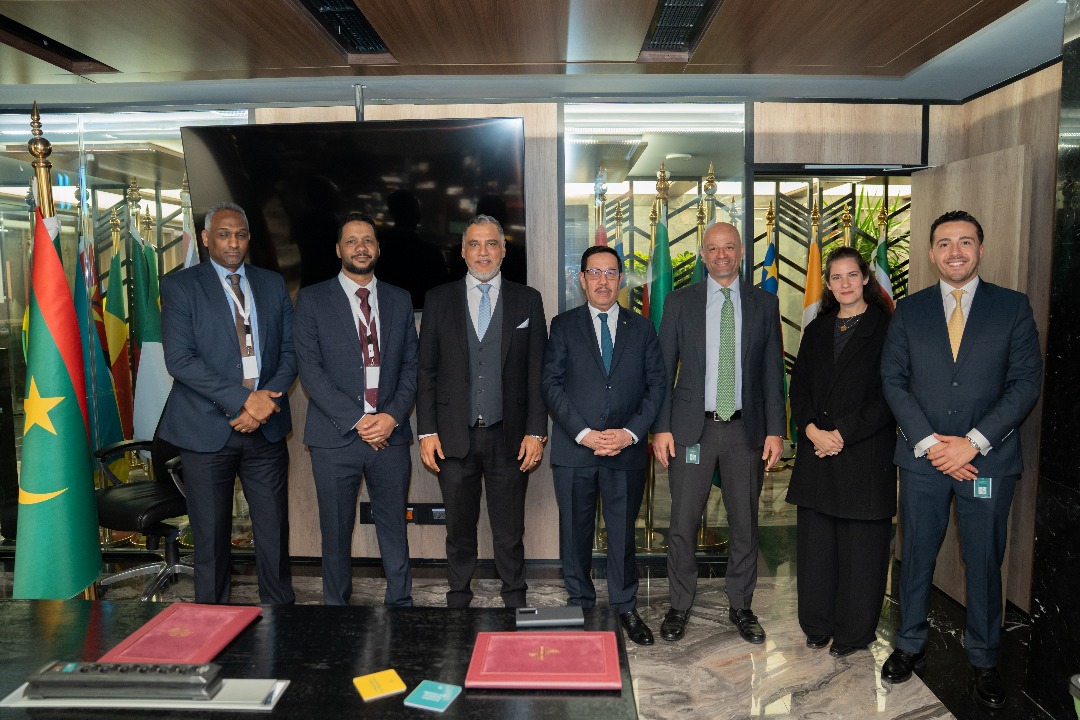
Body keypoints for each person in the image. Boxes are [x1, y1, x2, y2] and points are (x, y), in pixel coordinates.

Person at [880, 210, 1042, 708]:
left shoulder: (1012, 307)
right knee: (916, 555)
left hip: (986, 461)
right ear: (931, 254)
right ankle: (909, 643)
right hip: (923, 460)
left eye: (965, 242)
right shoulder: (909, 310)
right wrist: (932, 444)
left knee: (984, 560)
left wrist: (972, 442)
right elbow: (893, 380)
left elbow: (1025, 384)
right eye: (945, 243)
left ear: (981, 250)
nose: (955, 252)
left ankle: (985, 657)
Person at [652, 222, 786, 643]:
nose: (721, 255)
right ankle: (679, 605)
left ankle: (741, 606)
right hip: (692, 431)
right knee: (682, 523)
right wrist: (661, 428)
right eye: (713, 248)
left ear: (742, 251)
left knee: (745, 523)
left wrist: (776, 431)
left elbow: (772, 372)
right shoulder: (679, 302)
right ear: (703, 254)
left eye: (729, 247)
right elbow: (661, 370)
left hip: (746, 431)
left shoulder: (764, 303)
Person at [159, 202, 296, 605]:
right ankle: (212, 621)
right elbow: (180, 360)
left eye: (240, 234)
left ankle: (281, 619)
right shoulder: (181, 286)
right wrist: (243, 402)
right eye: (223, 234)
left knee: (273, 533)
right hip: (206, 430)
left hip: (266, 430)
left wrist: (262, 405)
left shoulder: (272, 283)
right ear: (206, 239)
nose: (233, 242)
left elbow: (291, 352)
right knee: (211, 539)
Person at [416, 214, 547, 608]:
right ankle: (458, 597)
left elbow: (537, 372)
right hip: (453, 437)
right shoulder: (438, 299)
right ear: (462, 251)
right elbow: (427, 371)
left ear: (504, 250)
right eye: (474, 244)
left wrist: (536, 432)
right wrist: (426, 431)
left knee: (509, 531)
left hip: (511, 437)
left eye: (491, 244)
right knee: (458, 529)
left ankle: (515, 598)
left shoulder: (528, 300)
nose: (483, 252)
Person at [541, 246, 666, 646]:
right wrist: (585, 433)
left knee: (622, 535)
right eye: (594, 272)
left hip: (626, 451)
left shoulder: (642, 328)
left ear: (621, 279)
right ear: (582, 279)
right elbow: (551, 384)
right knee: (574, 535)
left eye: (611, 273)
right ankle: (579, 604)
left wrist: (629, 433)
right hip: (575, 451)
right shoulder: (563, 326)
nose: (603, 281)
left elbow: (656, 386)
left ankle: (625, 606)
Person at [294, 212, 418, 606]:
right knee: (335, 532)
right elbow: (310, 371)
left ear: (378, 248)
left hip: (390, 435)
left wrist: (391, 417)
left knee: (394, 528)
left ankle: (401, 605)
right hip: (335, 438)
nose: (360, 247)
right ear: (338, 250)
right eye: (351, 241)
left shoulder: (399, 299)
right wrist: (359, 420)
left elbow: (411, 367)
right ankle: (336, 610)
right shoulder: (312, 299)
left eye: (367, 240)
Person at [786, 246, 895, 657]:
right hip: (817, 451)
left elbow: (890, 394)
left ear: (866, 278)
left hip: (863, 453)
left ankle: (853, 633)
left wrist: (841, 434)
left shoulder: (887, 327)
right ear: (828, 285)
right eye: (836, 277)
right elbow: (799, 387)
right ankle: (817, 625)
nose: (844, 283)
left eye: (852, 275)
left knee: (861, 553)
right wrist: (812, 429)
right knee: (817, 549)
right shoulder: (817, 328)